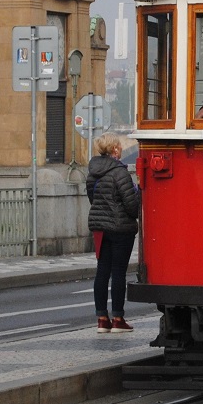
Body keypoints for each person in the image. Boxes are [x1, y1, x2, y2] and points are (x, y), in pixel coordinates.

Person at [87, 133, 140, 334]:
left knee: (102, 271)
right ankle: (118, 319)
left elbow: (93, 198)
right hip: (120, 228)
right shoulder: (120, 172)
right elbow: (131, 205)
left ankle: (102, 319)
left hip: (100, 227)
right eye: (118, 146)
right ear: (115, 149)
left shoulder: (93, 172)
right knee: (118, 272)